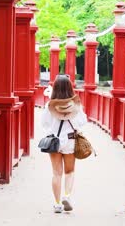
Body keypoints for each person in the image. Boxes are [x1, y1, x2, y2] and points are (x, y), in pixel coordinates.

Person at [41, 74, 87, 213]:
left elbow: (44, 123)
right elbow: (82, 121)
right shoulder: (76, 104)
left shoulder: (49, 105)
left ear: (54, 87)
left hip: (54, 141)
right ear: (70, 87)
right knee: (69, 171)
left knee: (56, 173)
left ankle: (56, 204)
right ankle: (67, 196)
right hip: (70, 141)